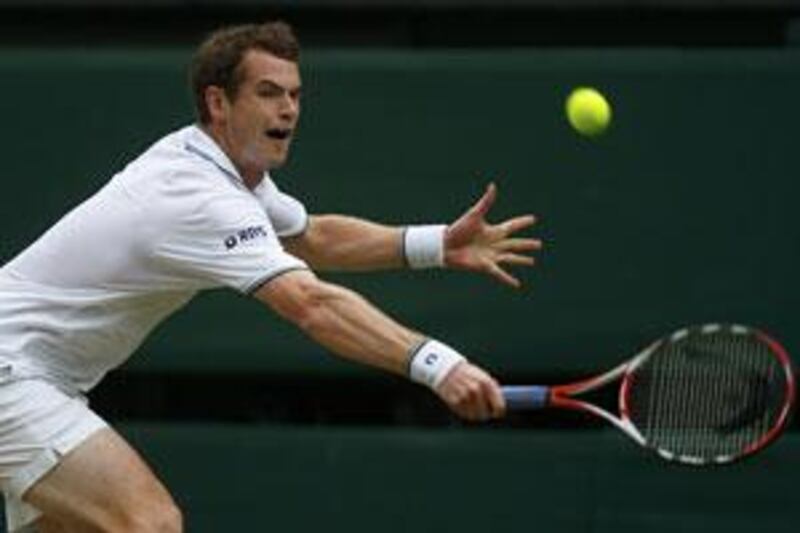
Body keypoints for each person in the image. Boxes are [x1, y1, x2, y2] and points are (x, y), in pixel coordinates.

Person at [0, 20, 541, 533]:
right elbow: (311, 303)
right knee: (150, 522)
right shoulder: (199, 196)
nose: (288, 109)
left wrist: (437, 244)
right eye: (267, 92)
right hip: (11, 370)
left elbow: (312, 237)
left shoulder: (222, 170)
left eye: (295, 94)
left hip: (42, 379)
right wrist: (439, 366)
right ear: (218, 102)